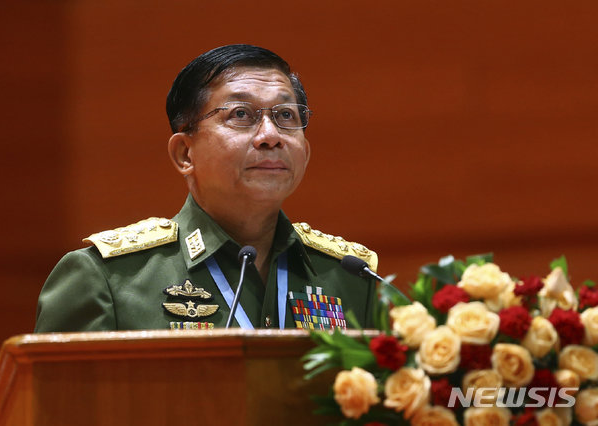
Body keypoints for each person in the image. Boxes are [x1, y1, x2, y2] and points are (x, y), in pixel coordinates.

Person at [35, 44, 378, 332]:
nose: (270, 136)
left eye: (286, 115)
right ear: (185, 154)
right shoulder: (107, 279)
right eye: (241, 114)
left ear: (306, 151)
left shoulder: (353, 278)